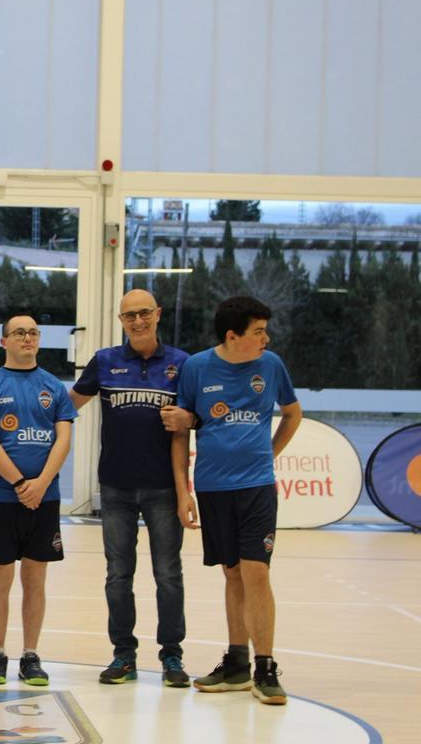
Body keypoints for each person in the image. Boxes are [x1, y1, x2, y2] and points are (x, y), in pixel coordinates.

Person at [172, 296, 302, 705]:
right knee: (231, 574)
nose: (266, 338)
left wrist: (270, 454)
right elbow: (181, 429)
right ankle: (236, 663)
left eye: (265, 330)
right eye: (258, 331)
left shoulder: (272, 365)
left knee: (256, 573)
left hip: (256, 488)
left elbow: (293, 413)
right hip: (212, 487)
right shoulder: (197, 368)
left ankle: (265, 667)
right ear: (233, 336)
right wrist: (183, 491)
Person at [68, 289, 194, 688]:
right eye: (129, 316)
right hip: (117, 489)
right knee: (118, 575)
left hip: (163, 489)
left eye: (143, 313)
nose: (137, 321)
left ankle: (172, 657)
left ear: (157, 314)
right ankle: (124, 655)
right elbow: (66, 407)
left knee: (168, 575)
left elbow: (198, 418)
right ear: (121, 320)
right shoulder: (105, 361)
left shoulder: (181, 364)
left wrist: (189, 417)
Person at [0, 314, 75, 686]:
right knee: (0, 579)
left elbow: (63, 439)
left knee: (35, 580)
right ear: (4, 342)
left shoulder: (54, 387)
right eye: (19, 333)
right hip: (0, 496)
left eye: (32, 333)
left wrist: (41, 483)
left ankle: (31, 656)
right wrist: (18, 483)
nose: (27, 338)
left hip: (44, 499)